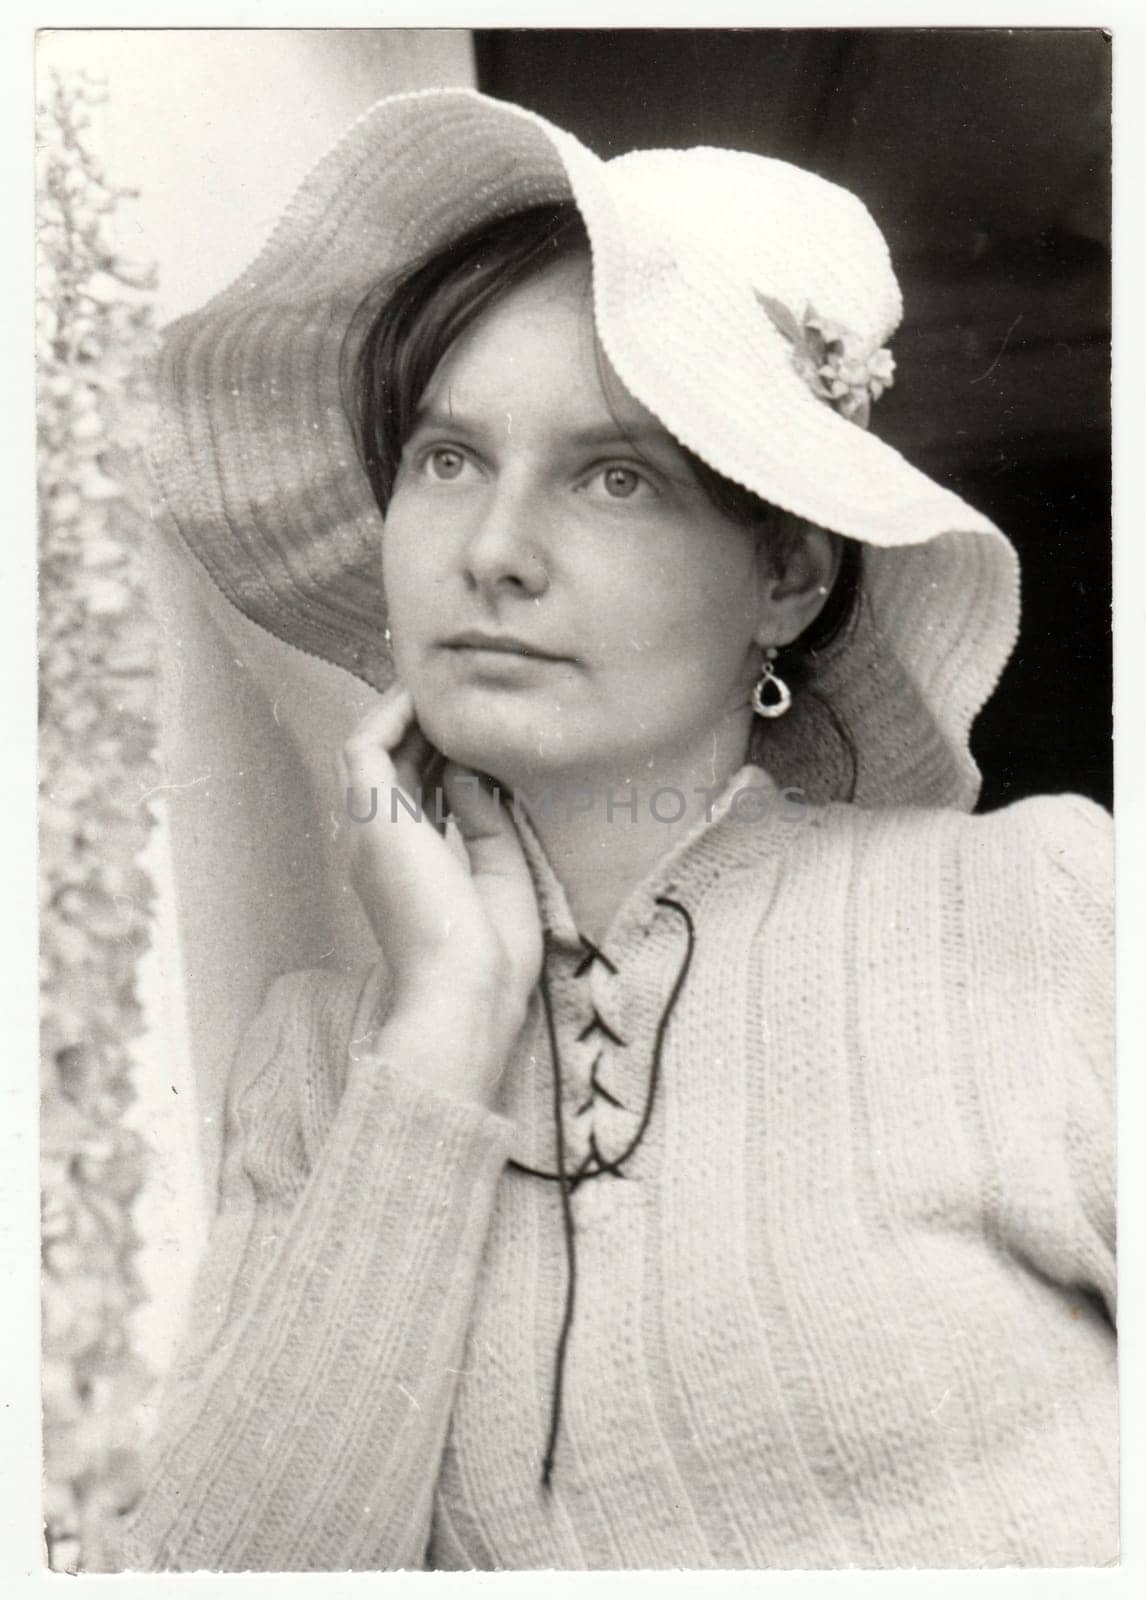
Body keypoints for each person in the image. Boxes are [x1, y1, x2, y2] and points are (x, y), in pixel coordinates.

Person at [109, 87, 1115, 1571]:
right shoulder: (323, 1069)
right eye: (447, 459)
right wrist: (444, 1028)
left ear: (783, 574)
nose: (495, 552)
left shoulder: (1036, 910)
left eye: (614, 475)